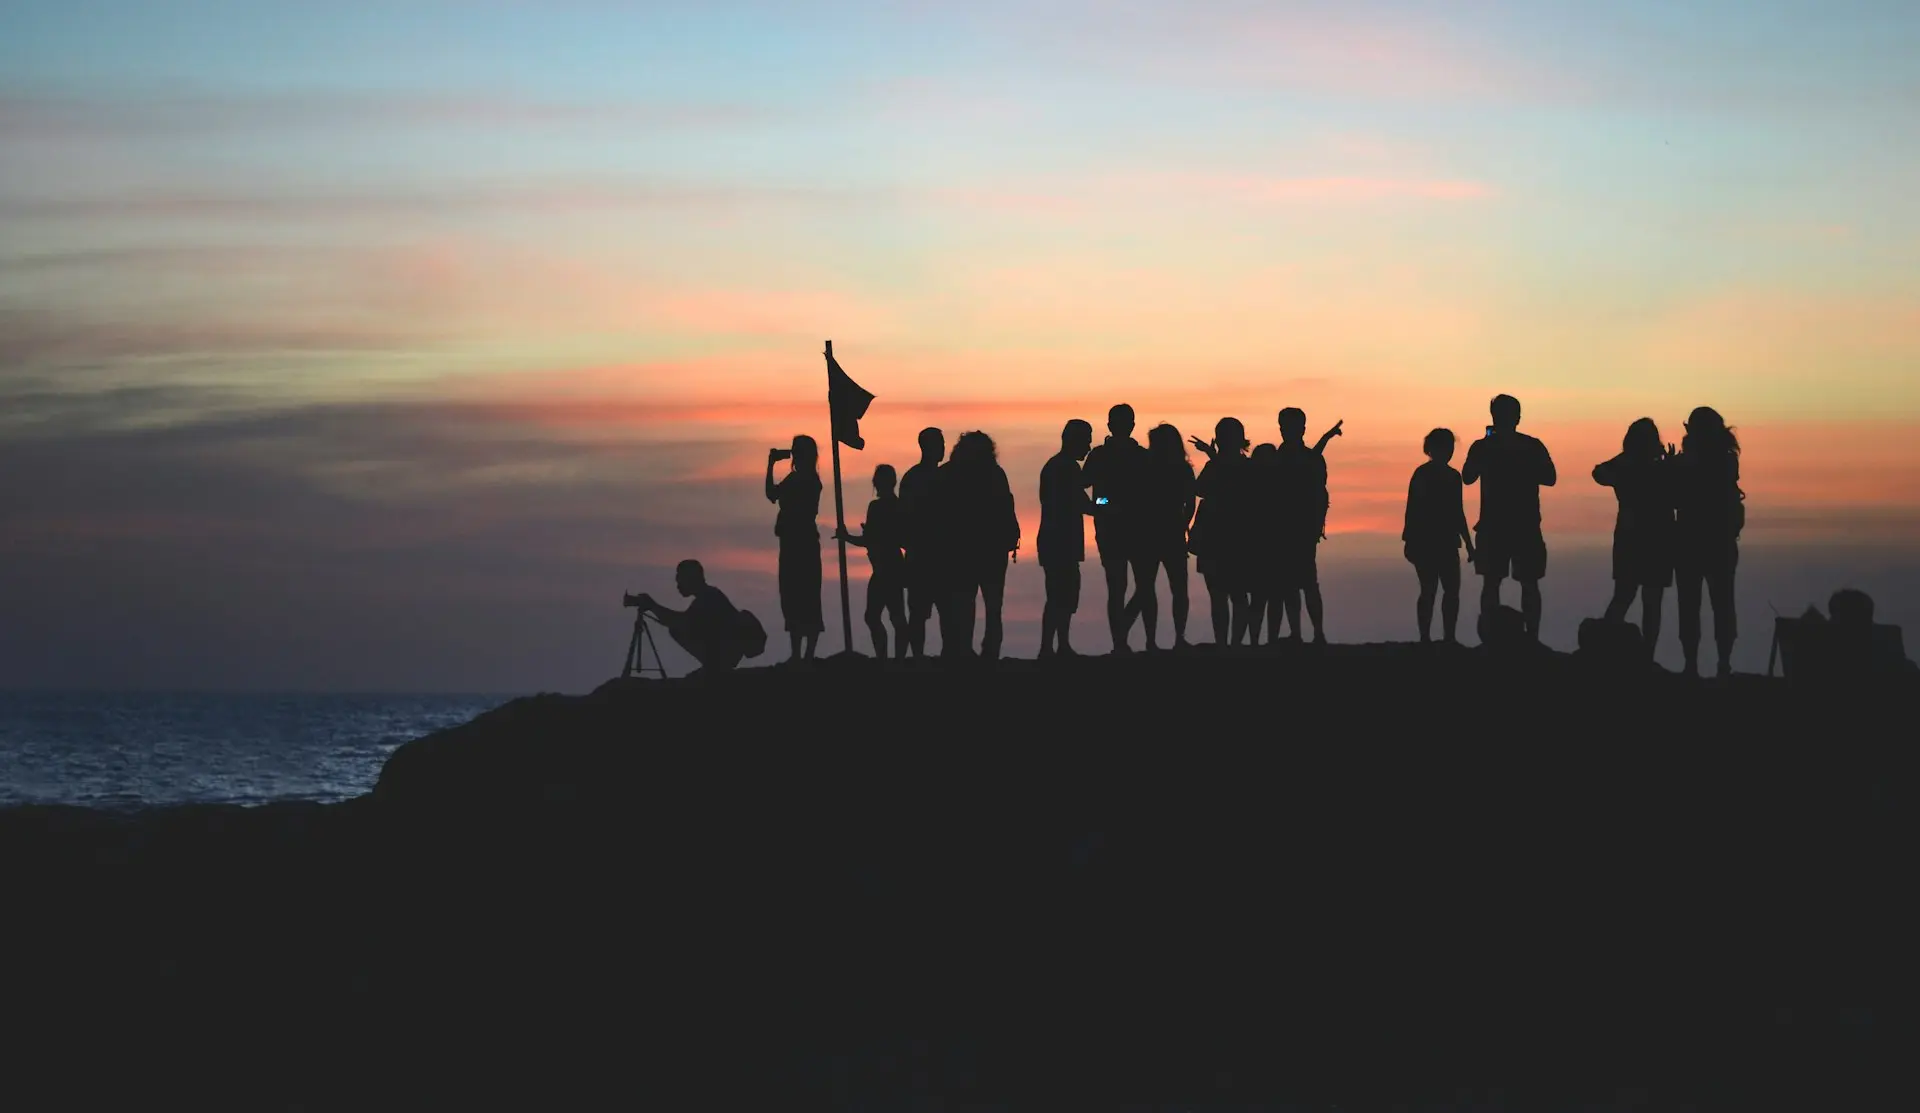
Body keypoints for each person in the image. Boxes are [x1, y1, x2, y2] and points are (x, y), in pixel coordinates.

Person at [1462, 395, 1557, 642]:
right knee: (1525, 583)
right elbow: (1550, 477)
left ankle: (1494, 638)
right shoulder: (1530, 446)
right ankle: (1530, 638)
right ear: (1517, 417)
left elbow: (1467, 476)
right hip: (1521, 526)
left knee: (1494, 583)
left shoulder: (1484, 447)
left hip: (1499, 526)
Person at [1671, 406, 1743, 678]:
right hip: (1719, 543)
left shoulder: (1696, 461)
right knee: (1722, 605)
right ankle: (1722, 665)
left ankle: (1694, 666)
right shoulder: (1727, 460)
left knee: (1691, 606)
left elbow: (1676, 496)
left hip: (1692, 542)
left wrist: (1674, 466)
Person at [1593, 418, 1674, 655]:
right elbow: (1599, 473)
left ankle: (1606, 649)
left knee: (1627, 595)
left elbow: (1599, 473)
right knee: (1649, 600)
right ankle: (1644, 654)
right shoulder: (1657, 467)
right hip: (1657, 538)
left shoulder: (1629, 465)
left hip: (1635, 537)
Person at [943, 431, 1021, 660]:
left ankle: (968, 649)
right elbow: (1007, 506)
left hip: (967, 549)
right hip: (987, 548)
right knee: (991, 603)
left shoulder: (950, 474)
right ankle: (987, 650)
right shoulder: (994, 474)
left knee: (967, 602)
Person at [1081, 404, 1151, 654]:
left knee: (1142, 588)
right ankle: (1119, 642)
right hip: (1112, 529)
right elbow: (1084, 487)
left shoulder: (1142, 455)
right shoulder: (1099, 455)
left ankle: (1122, 632)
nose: (1124, 427)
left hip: (1139, 530)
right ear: (1112, 425)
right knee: (1118, 586)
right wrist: (1105, 504)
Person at [1122, 423, 1196, 650]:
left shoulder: (1146, 467)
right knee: (1160, 589)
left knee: (1151, 589)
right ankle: (1163, 639)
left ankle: (1152, 638)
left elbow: (1189, 502)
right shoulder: (1177, 469)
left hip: (1153, 535)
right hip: (1156, 534)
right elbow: (1190, 503)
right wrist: (1182, 524)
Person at [1269, 408, 1339, 644]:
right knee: (1294, 584)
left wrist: (1316, 527)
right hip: (1286, 531)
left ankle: (1315, 633)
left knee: (1304, 583)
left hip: (1298, 531)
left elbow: (1320, 493)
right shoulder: (1284, 458)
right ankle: (1301, 633)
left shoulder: (1289, 459)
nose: (1285, 431)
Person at [1402, 428, 1475, 644]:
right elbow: (1415, 511)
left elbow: (1458, 512)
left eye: (1451, 447)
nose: (1450, 451)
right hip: (1428, 543)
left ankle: (1447, 638)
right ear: (1433, 449)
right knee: (1431, 591)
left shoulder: (1452, 476)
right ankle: (1428, 637)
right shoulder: (1424, 475)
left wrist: (1469, 545)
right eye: (1446, 447)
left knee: (1448, 592)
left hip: (1445, 543)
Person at [625, 560, 754, 676]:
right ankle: (713, 666)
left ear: (691, 578)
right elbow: (685, 620)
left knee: (677, 629)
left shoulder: (708, 597)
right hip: (725, 649)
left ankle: (714, 667)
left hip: (726, 652)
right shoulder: (709, 595)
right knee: (676, 629)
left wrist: (653, 606)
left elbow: (682, 622)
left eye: (680, 580)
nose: (678, 586)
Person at [1190, 417, 1254, 646]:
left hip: (1228, 538)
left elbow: (1202, 489)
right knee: (1228, 595)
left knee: (1228, 595)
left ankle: (1228, 644)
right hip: (1224, 538)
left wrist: (1211, 456)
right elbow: (1200, 489)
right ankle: (1228, 644)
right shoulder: (1245, 467)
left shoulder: (1244, 467)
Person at [835, 464, 908, 660]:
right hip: (889, 565)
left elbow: (872, 539)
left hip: (887, 567)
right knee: (888, 616)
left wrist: (848, 537)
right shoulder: (897, 505)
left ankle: (888, 659)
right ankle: (890, 658)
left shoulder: (878, 507)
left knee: (884, 616)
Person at [1038, 419, 1096, 658]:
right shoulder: (1066, 468)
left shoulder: (1056, 465)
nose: (1089, 447)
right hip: (1061, 542)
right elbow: (1084, 503)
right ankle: (1053, 647)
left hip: (1056, 541)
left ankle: (1056, 646)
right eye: (1086, 441)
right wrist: (1108, 502)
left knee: (1060, 595)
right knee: (1061, 595)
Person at [765, 434, 823, 662]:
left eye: (796, 450)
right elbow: (771, 494)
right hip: (791, 544)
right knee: (792, 597)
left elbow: (776, 496)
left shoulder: (808, 480)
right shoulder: (795, 478)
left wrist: (770, 464)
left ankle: (806, 653)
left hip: (803, 544)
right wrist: (770, 465)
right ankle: (798, 653)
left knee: (806, 596)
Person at [898, 427, 946, 658]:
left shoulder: (915, 477)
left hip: (934, 553)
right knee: (920, 612)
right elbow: (905, 518)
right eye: (940, 443)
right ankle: (918, 656)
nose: (943, 448)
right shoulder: (920, 478)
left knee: (944, 610)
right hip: (924, 553)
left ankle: (935, 655)